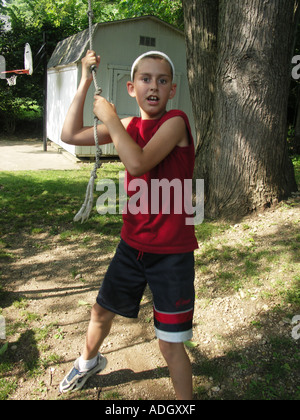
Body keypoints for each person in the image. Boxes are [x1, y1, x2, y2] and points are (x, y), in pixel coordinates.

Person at [59, 50, 198, 400]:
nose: (154, 86)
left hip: (171, 254)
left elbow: (137, 163)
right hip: (131, 246)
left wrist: (110, 117)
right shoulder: (129, 126)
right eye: (146, 79)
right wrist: (84, 82)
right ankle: (88, 362)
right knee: (101, 311)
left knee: (169, 345)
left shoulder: (176, 122)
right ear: (131, 87)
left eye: (162, 80)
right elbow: (70, 133)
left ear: (172, 90)